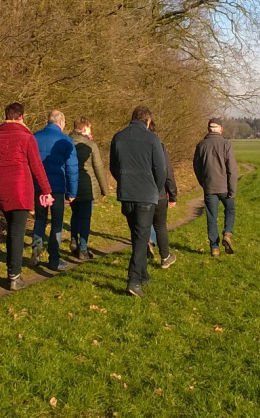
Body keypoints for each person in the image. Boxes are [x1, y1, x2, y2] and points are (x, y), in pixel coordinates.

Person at [0, 102, 55, 291]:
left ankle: (12, 272)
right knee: (17, 232)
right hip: (21, 189)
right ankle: (14, 276)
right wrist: (47, 190)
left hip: (2, 189)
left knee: (12, 230)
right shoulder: (26, 137)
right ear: (21, 117)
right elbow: (36, 166)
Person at [109, 106, 167, 296]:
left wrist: (124, 181)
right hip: (145, 194)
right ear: (148, 121)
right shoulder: (152, 139)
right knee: (141, 238)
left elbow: (113, 167)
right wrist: (155, 188)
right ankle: (134, 281)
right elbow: (161, 170)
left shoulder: (118, 137)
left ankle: (143, 275)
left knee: (137, 237)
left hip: (126, 193)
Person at [31, 110, 79, 272]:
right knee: (57, 223)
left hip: (39, 187)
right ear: (61, 122)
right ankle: (54, 259)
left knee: (40, 218)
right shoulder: (66, 141)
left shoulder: (34, 137)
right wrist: (72, 192)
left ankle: (37, 247)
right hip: (57, 188)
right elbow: (72, 168)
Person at [193, 117, 238, 256]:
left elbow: (196, 167)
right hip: (225, 187)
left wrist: (203, 182)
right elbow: (232, 168)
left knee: (211, 217)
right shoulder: (226, 144)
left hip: (209, 187)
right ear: (221, 129)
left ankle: (214, 248)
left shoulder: (201, 145)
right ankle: (227, 234)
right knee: (230, 210)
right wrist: (232, 188)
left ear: (208, 129)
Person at [69, 117, 110, 261]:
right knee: (85, 218)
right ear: (85, 128)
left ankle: (73, 241)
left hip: (70, 186)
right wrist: (105, 189)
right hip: (87, 187)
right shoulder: (91, 145)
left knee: (75, 215)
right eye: (90, 128)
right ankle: (83, 249)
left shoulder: (66, 142)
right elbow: (98, 168)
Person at [148, 119, 178, 269]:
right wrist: (172, 194)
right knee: (160, 226)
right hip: (158, 193)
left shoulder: (132, 146)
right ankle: (165, 256)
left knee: (142, 225)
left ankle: (146, 243)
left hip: (138, 193)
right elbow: (168, 173)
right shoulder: (159, 147)